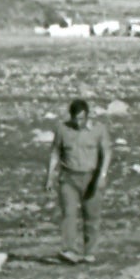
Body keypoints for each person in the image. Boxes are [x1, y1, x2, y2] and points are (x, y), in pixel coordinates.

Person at [45, 98, 114, 263]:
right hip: (68, 177)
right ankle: (70, 251)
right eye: (76, 118)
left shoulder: (99, 130)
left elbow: (107, 153)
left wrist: (102, 176)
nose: (78, 122)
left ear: (87, 116)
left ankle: (90, 252)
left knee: (91, 216)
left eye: (82, 118)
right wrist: (49, 177)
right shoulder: (62, 129)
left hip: (91, 177)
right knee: (69, 214)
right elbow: (55, 152)